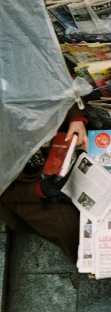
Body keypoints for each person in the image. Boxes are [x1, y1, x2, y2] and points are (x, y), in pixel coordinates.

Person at [0, 105, 87, 263]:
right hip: (27, 190)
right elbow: (6, 192)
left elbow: (63, 91)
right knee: (66, 226)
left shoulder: (16, 92)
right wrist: (41, 189)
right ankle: (90, 262)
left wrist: (76, 120)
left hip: (59, 150)